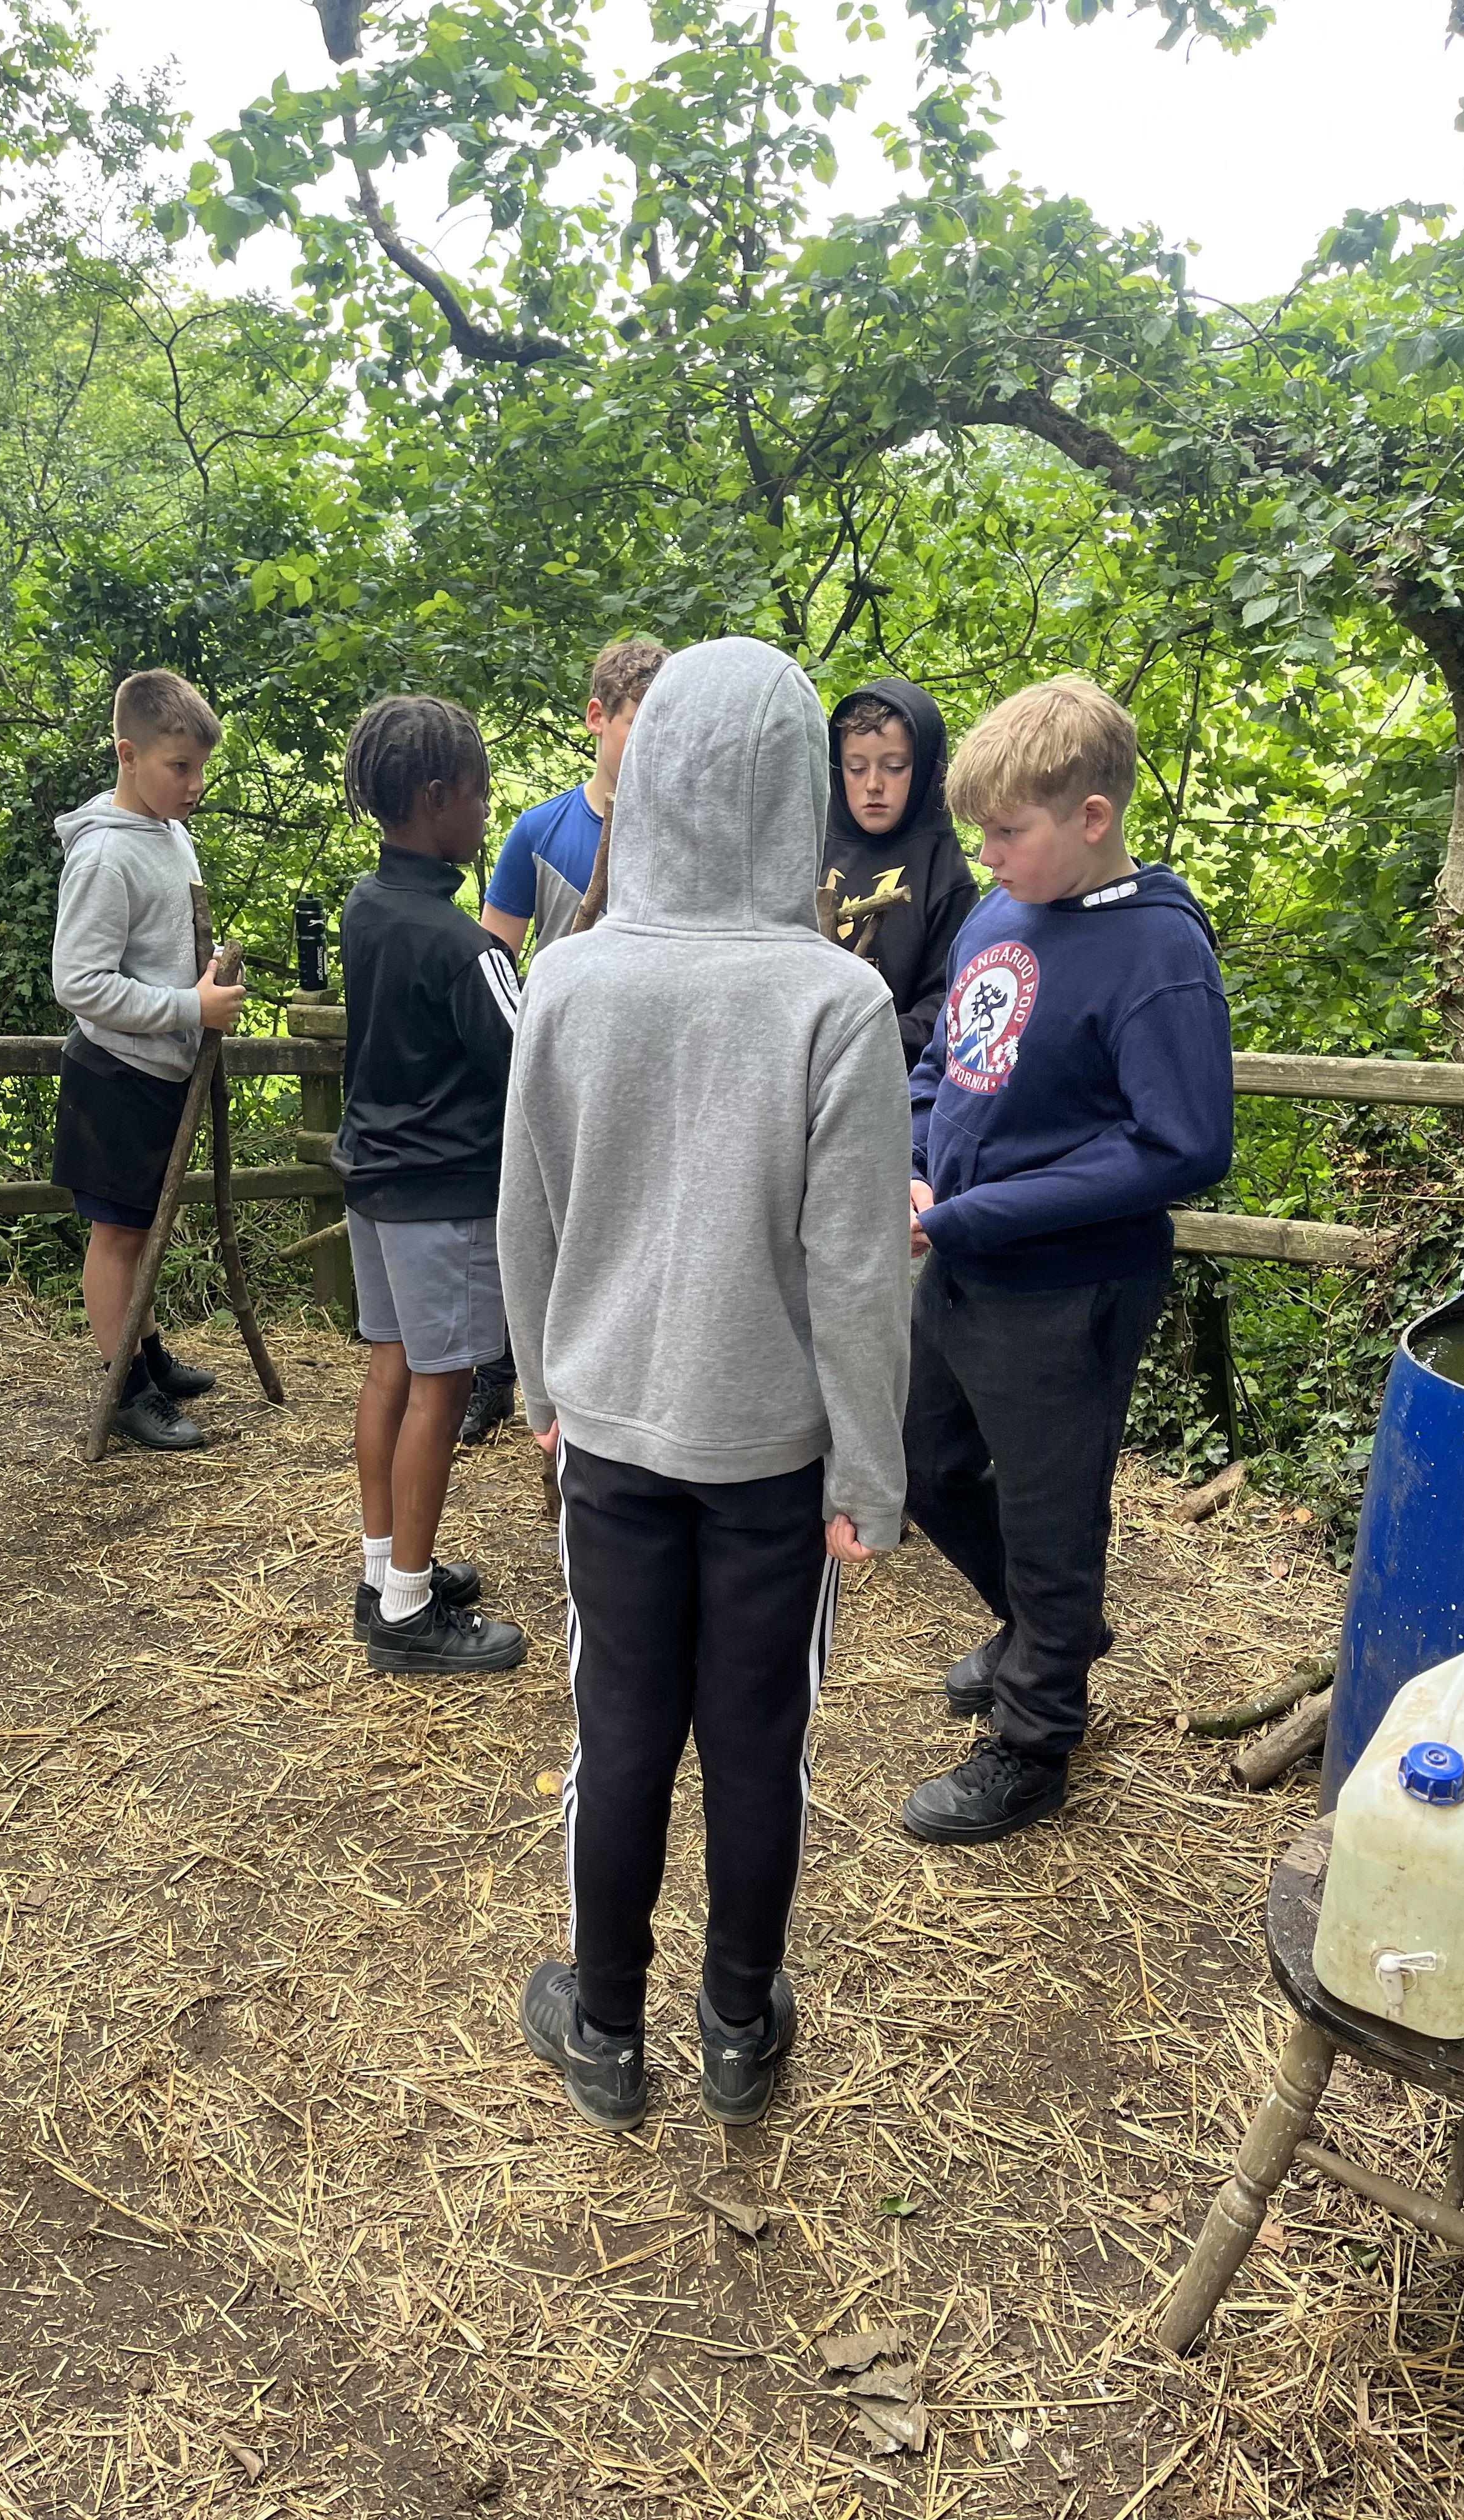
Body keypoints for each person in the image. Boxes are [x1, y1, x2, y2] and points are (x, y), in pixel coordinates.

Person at [498, 637, 911, 2134]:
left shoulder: (570, 980)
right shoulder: (836, 1001)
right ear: (804, 791)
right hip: (774, 1455)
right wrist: (869, 1476)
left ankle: (606, 2030)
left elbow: (525, 1216)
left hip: (608, 1434)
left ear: (651, 767)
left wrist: (542, 1387)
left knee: (616, 1732)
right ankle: (738, 2025)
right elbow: (858, 1270)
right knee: (756, 1742)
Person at [901, 675, 1233, 1846]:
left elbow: (1181, 1145)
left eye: (1008, 833)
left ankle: (1035, 1740)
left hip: (1066, 1288)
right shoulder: (998, 917)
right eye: (980, 834)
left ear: (1092, 818)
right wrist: (916, 1165)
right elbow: (944, 1067)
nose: (987, 857)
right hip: (959, 1258)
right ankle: (1047, 1633)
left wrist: (971, 1215)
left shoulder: (1156, 950)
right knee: (923, 1463)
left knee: (1051, 1517)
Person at [333, 695, 528, 1678]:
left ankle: (384, 1573)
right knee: (441, 1389)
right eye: (481, 795)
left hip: (372, 1180)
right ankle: (409, 1612)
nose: (487, 812)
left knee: (391, 1370)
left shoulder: (365, 908)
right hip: (442, 1197)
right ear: (437, 797)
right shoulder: (466, 949)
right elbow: (529, 1066)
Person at [461, 635, 669, 1446]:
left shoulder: (680, 836)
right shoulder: (539, 832)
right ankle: (501, 1376)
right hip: (555, 1069)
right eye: (638, 723)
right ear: (597, 718)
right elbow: (493, 958)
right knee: (531, 1224)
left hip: (649, 1077)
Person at [51, 669, 243, 1452]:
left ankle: (149, 1354)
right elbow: (78, 982)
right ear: (128, 756)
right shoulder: (105, 857)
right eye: (179, 767)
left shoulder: (169, 832)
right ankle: (126, 1389)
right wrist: (188, 1009)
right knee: (119, 1236)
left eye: (201, 768)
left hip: (159, 1071)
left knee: (143, 1228)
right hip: (115, 1077)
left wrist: (204, 985)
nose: (194, 785)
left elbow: (165, 950)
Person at [823, 676, 978, 1067]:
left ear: (925, 769)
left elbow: (951, 1002)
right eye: (856, 768)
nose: (873, 785)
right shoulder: (808, 853)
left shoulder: (945, 876)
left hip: (896, 1078)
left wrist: (864, 1040)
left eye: (894, 768)